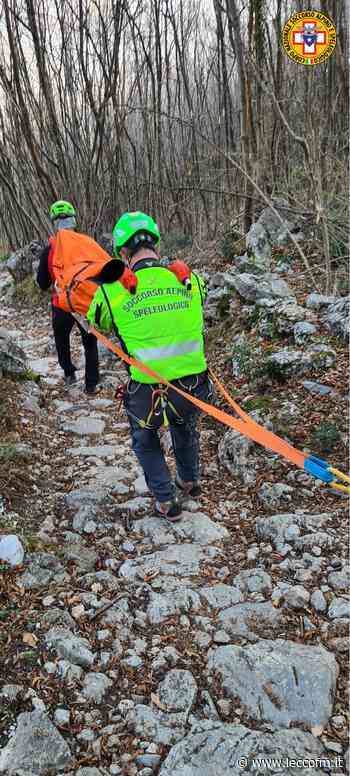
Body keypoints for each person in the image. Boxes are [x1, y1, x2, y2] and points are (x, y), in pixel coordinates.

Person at [87, 211, 211, 521]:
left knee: (145, 439)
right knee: (185, 425)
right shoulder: (188, 279)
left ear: (123, 253)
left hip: (148, 390)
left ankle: (165, 500)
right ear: (155, 244)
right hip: (193, 384)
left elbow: (96, 320)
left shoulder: (110, 290)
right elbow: (201, 299)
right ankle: (189, 479)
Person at [36, 200, 100, 394]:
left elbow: (42, 283)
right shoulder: (86, 243)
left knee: (61, 339)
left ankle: (69, 373)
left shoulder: (50, 249)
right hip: (84, 302)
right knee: (90, 342)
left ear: (54, 223)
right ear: (74, 221)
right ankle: (91, 384)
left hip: (61, 303)